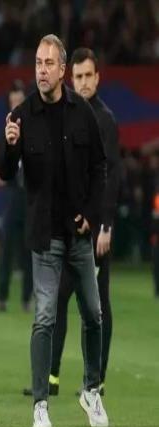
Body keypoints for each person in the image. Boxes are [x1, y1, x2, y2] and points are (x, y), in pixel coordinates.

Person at [0, 34, 109, 427]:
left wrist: (91, 216)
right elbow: (5, 171)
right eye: (38, 63)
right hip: (44, 236)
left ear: (62, 70)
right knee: (44, 316)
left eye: (48, 64)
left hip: (78, 235)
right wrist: (10, 146)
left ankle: (91, 390)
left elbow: (99, 168)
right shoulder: (22, 115)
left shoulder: (82, 113)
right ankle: (40, 404)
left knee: (93, 313)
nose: (41, 71)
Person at [47, 47, 121, 397]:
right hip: (69, 226)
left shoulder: (104, 119)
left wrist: (106, 225)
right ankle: (51, 375)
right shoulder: (66, 115)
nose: (84, 82)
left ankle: (97, 379)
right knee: (59, 298)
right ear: (70, 79)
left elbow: (112, 174)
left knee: (97, 305)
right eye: (78, 77)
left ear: (98, 78)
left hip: (95, 230)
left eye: (89, 75)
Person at [0, 79, 33, 312]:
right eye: (13, 101)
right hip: (12, 196)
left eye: (19, 100)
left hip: (30, 197)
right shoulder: (4, 131)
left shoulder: (34, 129)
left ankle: (27, 298)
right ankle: (2, 296)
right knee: (6, 249)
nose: (16, 104)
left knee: (30, 251)